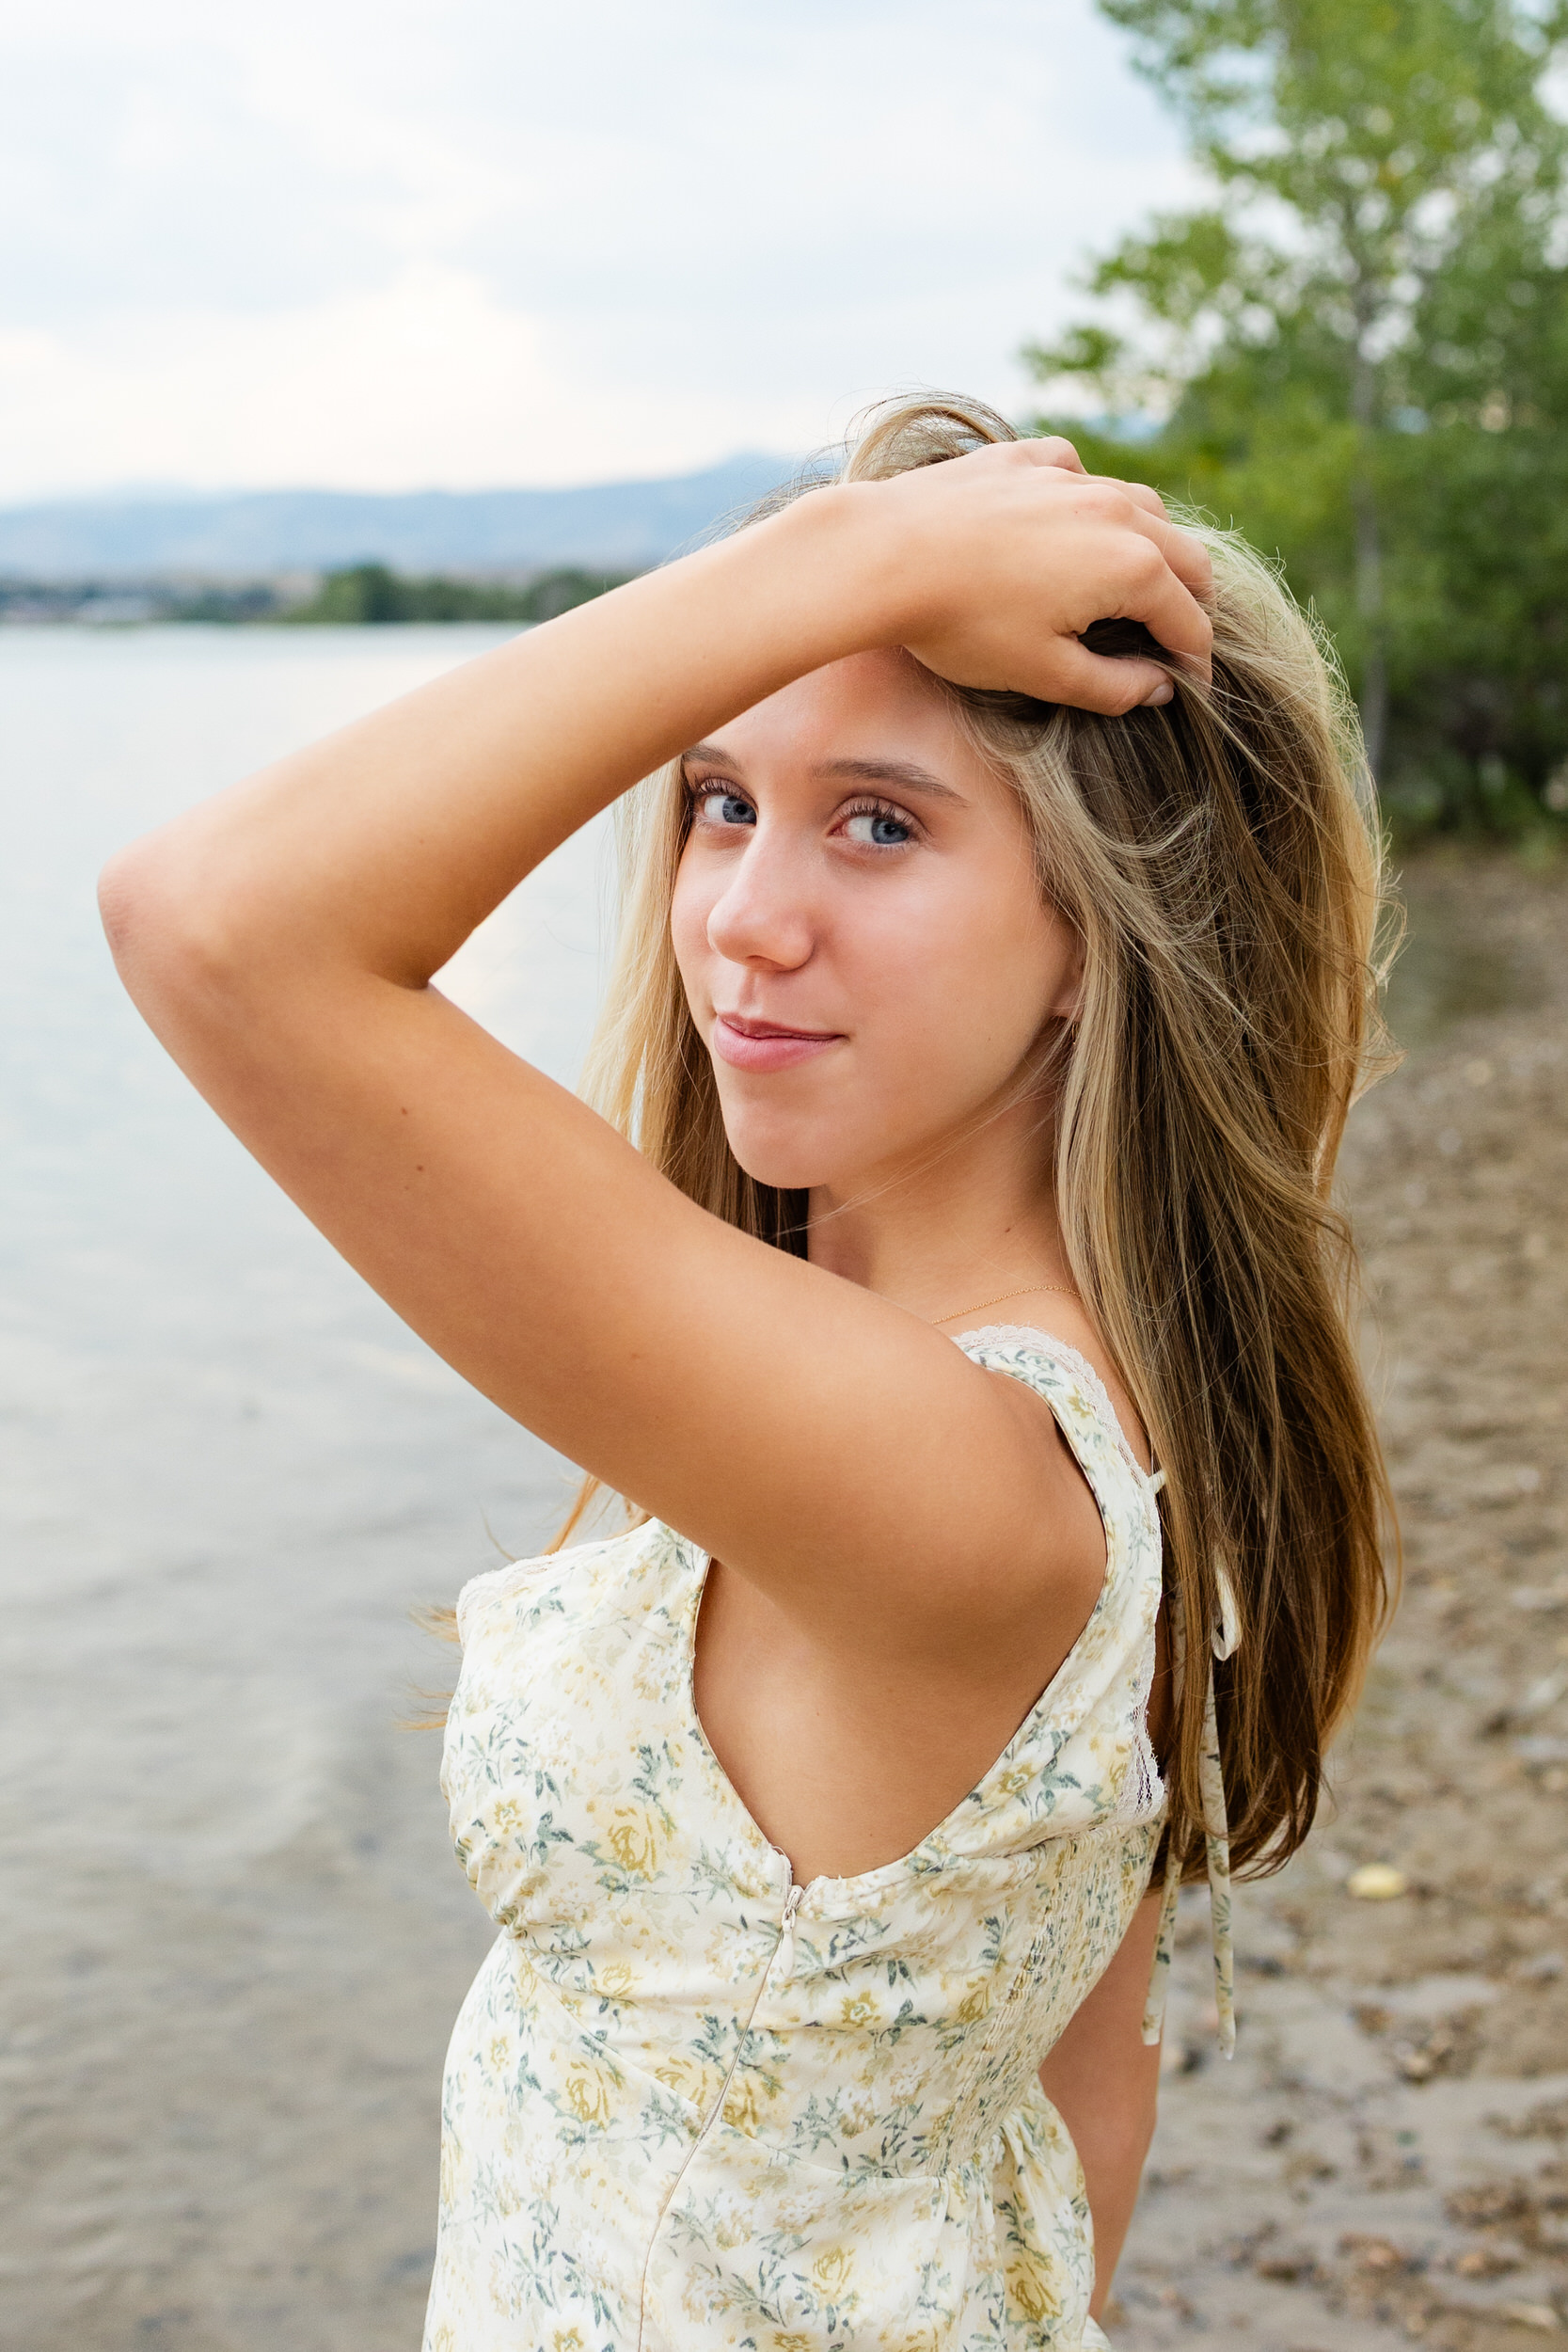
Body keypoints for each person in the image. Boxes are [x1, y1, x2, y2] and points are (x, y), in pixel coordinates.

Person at [100, 394, 1394, 2350]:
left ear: (1092, 932)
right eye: (720, 798)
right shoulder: (1080, 1393)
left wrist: (836, 556)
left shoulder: (944, 1467)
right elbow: (1080, 2093)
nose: (742, 922)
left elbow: (214, 921)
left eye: (881, 821)